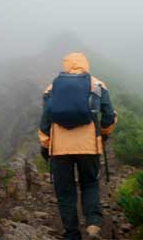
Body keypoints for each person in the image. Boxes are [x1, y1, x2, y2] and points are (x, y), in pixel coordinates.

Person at [38, 52, 117, 240]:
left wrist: (45, 145)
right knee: (89, 184)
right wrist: (104, 134)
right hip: (88, 146)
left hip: (60, 149)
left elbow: (45, 121)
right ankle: (93, 225)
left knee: (65, 191)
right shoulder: (97, 84)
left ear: (65, 65)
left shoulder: (52, 88)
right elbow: (108, 115)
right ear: (85, 65)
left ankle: (72, 234)